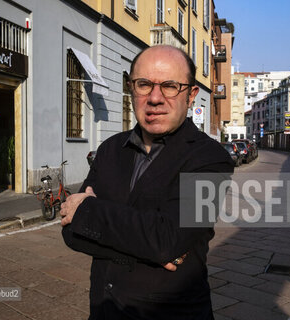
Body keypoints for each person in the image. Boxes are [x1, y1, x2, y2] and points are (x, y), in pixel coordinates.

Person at [60, 45, 235, 320]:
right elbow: (71, 233)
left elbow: (168, 240)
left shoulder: (211, 159)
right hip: (105, 310)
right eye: (144, 85)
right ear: (131, 89)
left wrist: (88, 212)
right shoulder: (109, 149)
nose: (155, 98)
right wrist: (152, 247)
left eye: (169, 86)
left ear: (190, 96)